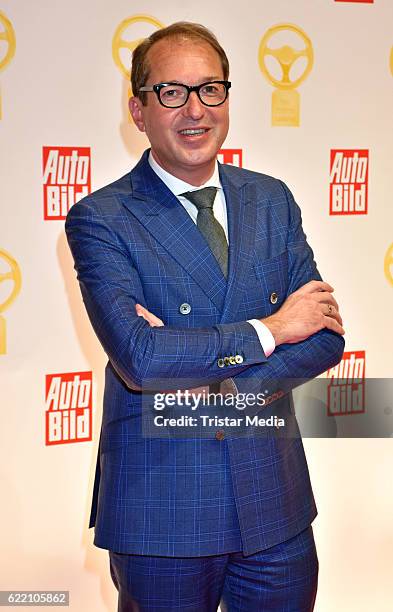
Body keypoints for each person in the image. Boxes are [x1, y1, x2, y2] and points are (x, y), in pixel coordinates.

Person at [65, 21, 344, 612]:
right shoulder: (102, 218)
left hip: (275, 505)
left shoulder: (272, 199)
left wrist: (212, 385)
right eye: (171, 92)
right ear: (139, 110)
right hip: (161, 507)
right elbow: (141, 357)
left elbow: (323, 336)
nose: (194, 109)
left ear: (227, 98)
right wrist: (272, 329)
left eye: (209, 89)